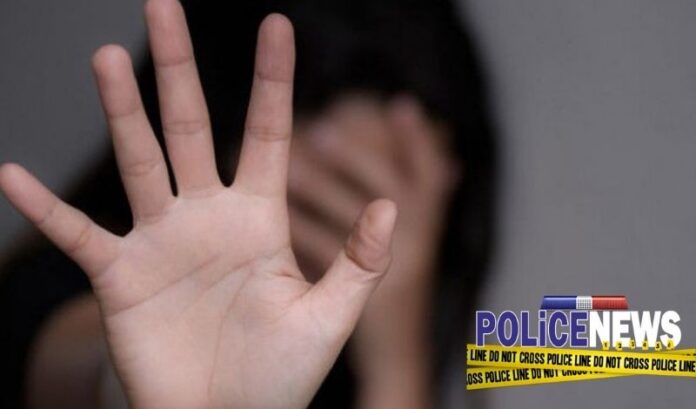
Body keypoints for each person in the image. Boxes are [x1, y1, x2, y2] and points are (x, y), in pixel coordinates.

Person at [0, 0, 497, 408]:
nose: (356, 243)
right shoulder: (59, 293)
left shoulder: (390, 356)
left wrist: (395, 360)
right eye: (315, 204)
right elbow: (77, 363)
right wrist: (149, 378)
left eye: (384, 214)